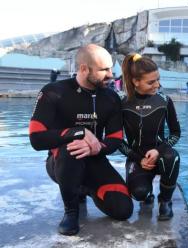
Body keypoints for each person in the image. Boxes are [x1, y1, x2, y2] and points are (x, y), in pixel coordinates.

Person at [29, 44, 133, 236]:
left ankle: (84, 187)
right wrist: (79, 133)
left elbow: (115, 139)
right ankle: (71, 211)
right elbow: (36, 139)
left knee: (123, 210)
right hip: (61, 160)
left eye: (111, 68)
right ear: (84, 68)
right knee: (72, 149)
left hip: (95, 158)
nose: (111, 74)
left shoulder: (111, 97)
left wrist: (96, 148)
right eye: (104, 70)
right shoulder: (53, 92)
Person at [120, 53, 181, 221]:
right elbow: (118, 140)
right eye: (151, 82)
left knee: (172, 157)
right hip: (137, 158)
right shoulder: (122, 103)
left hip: (160, 155)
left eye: (158, 79)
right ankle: (147, 193)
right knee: (139, 194)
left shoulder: (164, 100)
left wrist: (157, 150)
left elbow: (176, 133)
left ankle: (165, 202)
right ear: (135, 81)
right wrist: (138, 159)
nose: (158, 85)